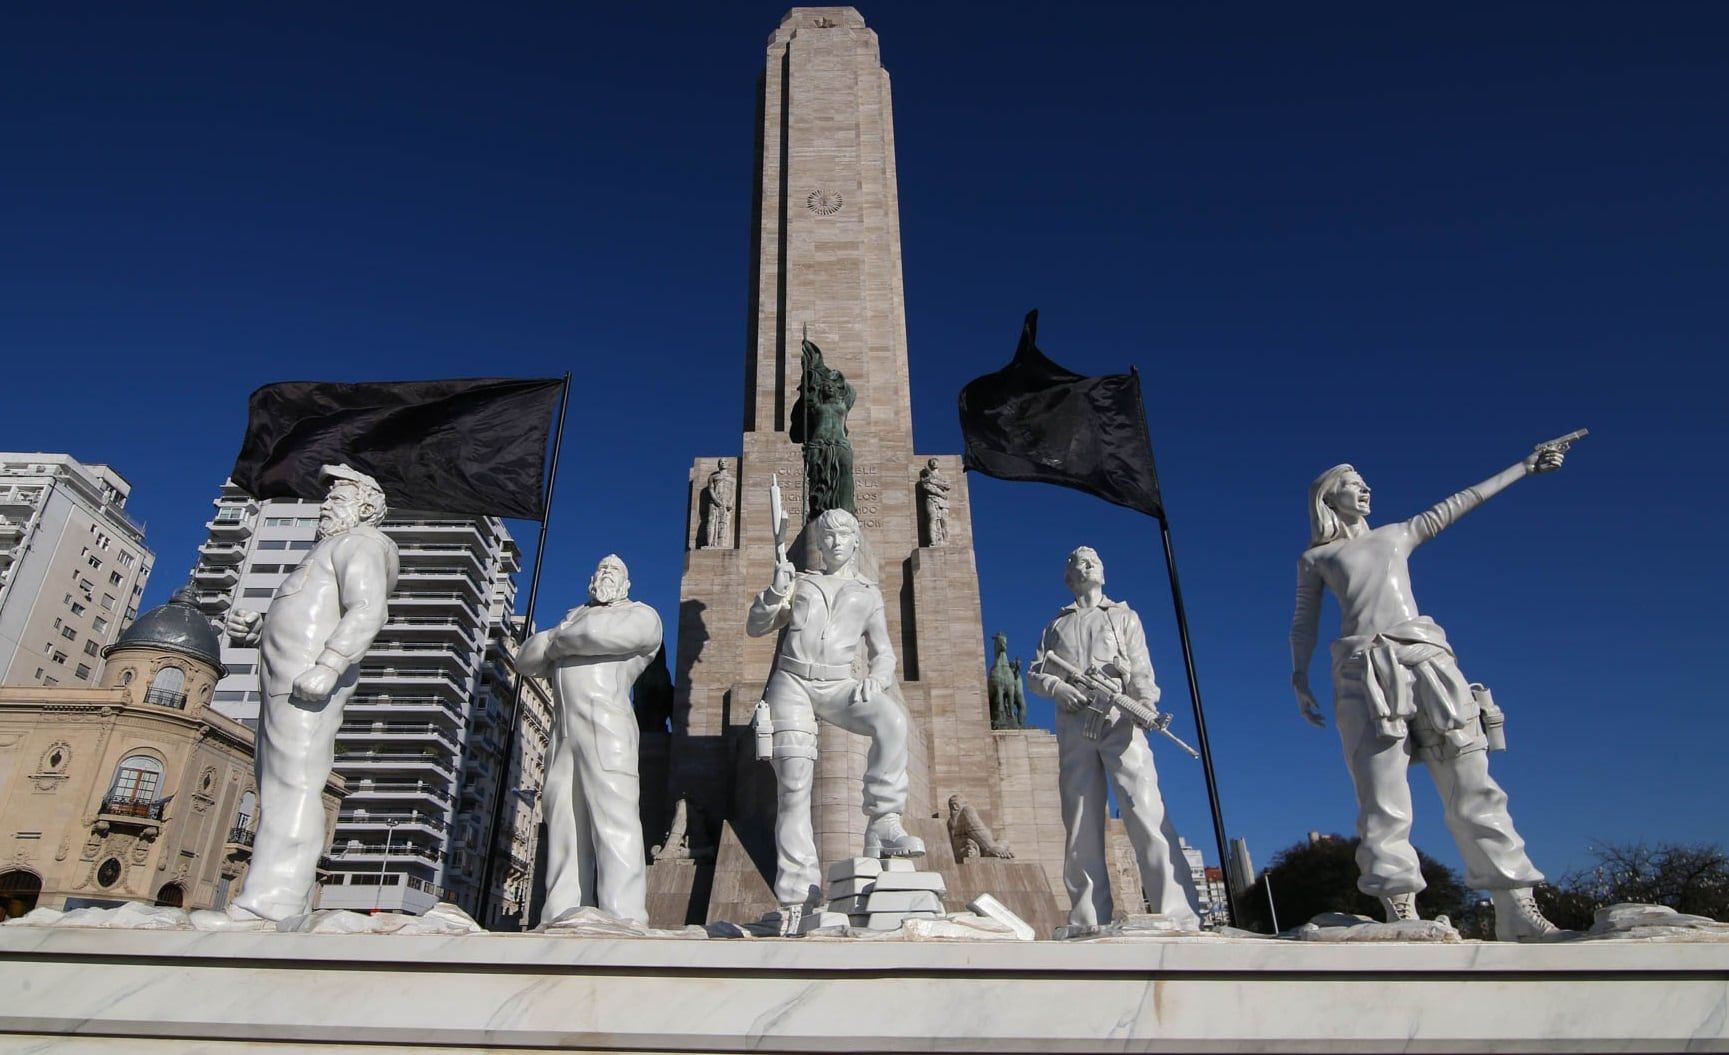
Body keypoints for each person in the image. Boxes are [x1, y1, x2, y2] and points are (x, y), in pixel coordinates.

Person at [1290, 442, 1570, 940]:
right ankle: (1400, 906)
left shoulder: (1398, 534)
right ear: (1329, 498)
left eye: (1364, 483)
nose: (1365, 490)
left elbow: (1460, 502)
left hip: (1428, 662)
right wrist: (1299, 675)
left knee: (1473, 785)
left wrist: (1525, 467)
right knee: (1382, 796)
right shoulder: (1317, 558)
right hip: (1363, 671)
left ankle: (1515, 904)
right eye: (1353, 485)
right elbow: (1304, 621)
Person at [223, 465, 398, 921]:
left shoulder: (360, 542)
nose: (326, 506)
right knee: (276, 783)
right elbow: (310, 616)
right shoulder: (327, 549)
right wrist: (259, 629)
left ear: (365, 506)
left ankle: (272, 902)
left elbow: (369, 609)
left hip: (308, 682)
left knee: (293, 783)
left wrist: (329, 664)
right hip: (287, 681)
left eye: (337, 497)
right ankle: (287, 901)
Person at [747, 508, 922, 928]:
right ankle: (797, 898)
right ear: (820, 543)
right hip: (792, 683)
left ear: (856, 541)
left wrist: (878, 679)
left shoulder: (868, 593)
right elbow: (757, 626)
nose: (836, 541)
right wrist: (776, 590)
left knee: (892, 722)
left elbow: (884, 653)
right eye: (828, 535)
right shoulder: (801, 582)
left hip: (840, 684)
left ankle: (884, 822)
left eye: (844, 534)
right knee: (793, 788)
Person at [1028, 547, 1203, 932]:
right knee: (1080, 820)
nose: (1088, 565)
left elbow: (1141, 669)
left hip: (1120, 719)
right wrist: (1059, 688)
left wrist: (1146, 705)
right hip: (1075, 723)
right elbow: (1036, 673)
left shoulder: (1123, 616)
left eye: (1094, 560)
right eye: (1080, 562)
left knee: (1144, 808)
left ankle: (1177, 912)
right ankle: (1088, 917)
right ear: (1069, 577)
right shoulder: (1057, 625)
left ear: (1103, 573)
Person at [520, 555, 662, 925]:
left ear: (626, 583)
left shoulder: (641, 614)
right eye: (601, 570)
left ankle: (624, 915)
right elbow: (526, 658)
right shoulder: (573, 616)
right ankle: (560, 912)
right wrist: (562, 638)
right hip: (563, 733)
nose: (605, 575)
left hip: (606, 729)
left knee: (614, 821)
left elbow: (602, 637)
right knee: (563, 823)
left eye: (614, 571)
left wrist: (556, 639)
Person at [699, 459, 736, 549]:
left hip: (726, 502)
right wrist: (715, 499)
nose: (723, 463)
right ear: (718, 465)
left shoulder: (732, 479)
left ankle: (723, 544)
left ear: (728, 464)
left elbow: (733, 491)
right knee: (711, 520)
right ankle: (709, 544)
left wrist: (731, 502)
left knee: (725, 523)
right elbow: (711, 489)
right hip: (714, 502)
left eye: (725, 461)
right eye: (721, 462)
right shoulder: (713, 477)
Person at [918, 458, 951, 546]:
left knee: (944, 521)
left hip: (943, 501)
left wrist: (933, 481)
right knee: (932, 519)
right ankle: (933, 541)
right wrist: (941, 493)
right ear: (929, 465)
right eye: (931, 462)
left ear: (938, 464)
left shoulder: (943, 477)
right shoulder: (925, 478)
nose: (933, 463)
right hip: (931, 499)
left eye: (935, 462)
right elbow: (928, 487)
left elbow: (947, 486)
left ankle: (946, 542)